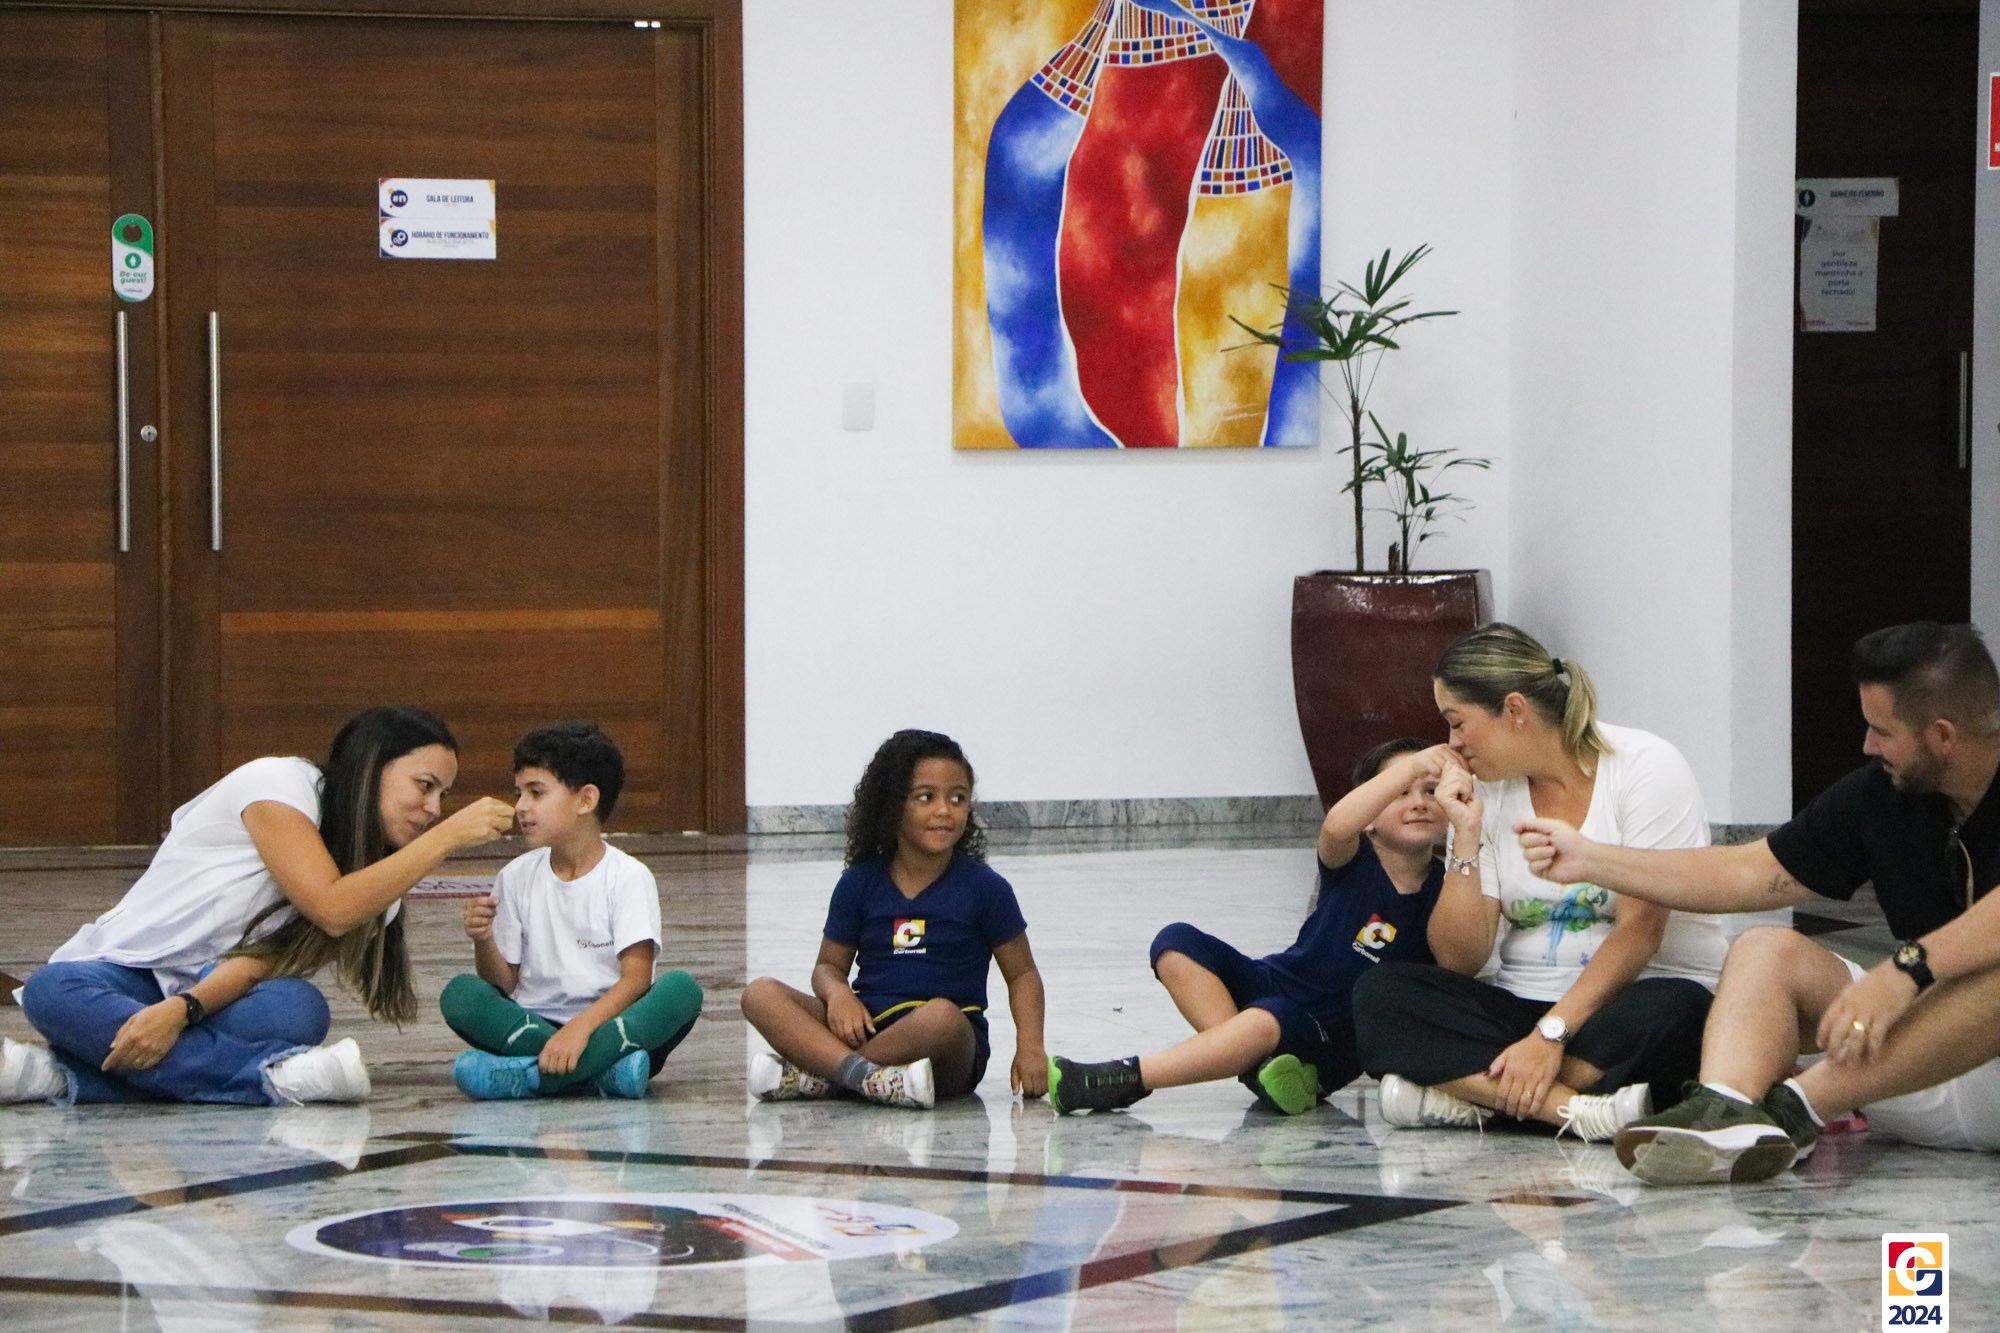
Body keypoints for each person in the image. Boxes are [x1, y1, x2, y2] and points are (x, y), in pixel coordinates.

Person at [1518, 622, 2000, 1184]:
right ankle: (1726, 1117)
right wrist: (1591, 859)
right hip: (1913, 1073)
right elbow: (1749, 871)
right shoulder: (1881, 794)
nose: (1868, 746)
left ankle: (1794, 1111)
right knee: (1765, 949)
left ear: (1942, 737)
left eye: (1881, 731)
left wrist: (1904, 970)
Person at [0, 705, 515, 1107]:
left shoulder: (377, 883)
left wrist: (182, 1010)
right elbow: (331, 906)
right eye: (425, 786)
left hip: (213, 1003)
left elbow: (261, 963)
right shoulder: (280, 784)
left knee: (298, 1010)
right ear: (370, 769)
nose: (434, 809)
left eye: (444, 796)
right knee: (52, 988)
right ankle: (266, 1079)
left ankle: (63, 1075)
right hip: (126, 976)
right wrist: (448, 837)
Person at [1351, 623, 1722, 1143]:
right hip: (1524, 1007)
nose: (1453, 743)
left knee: (1679, 1009)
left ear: (1515, 710)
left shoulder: (1645, 767)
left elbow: (1640, 932)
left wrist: (1550, 1037)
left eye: (1458, 722)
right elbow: (1460, 959)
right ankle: (1575, 1110)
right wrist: (1465, 835)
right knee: (1380, 993)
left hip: (1629, 999)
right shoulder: (1487, 790)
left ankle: (1474, 1097)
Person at [1044, 738, 1456, 1116]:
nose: (1419, 803)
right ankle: (1259, 1069)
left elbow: (1462, 956)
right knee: (1175, 942)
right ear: (1369, 816)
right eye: (1400, 791)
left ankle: (1118, 1079)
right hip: (1275, 981)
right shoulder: (1351, 858)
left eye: (1431, 791)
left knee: (1265, 1020)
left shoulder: (1447, 889)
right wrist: (1413, 766)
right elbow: (1336, 824)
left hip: (1326, 1043)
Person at [739, 729, 1047, 1109]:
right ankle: (869, 1078)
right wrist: (839, 996)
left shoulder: (986, 888)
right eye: (925, 797)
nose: (944, 810)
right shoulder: (859, 883)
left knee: (942, 1016)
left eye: (958, 798)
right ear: (891, 805)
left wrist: (1031, 1046)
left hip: (946, 1048)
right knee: (760, 994)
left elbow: (1023, 975)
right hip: (869, 1026)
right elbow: (827, 968)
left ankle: (828, 1075)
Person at [441, 722, 703, 1099]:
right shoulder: (514, 876)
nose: (521, 807)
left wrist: (580, 1030)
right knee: (461, 995)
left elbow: (636, 980)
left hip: (612, 1023)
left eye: (536, 792)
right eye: (519, 793)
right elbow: (505, 983)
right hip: (532, 1024)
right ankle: (603, 1073)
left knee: (681, 990)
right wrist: (483, 940)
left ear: (586, 800)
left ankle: (530, 1076)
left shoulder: (629, 876)